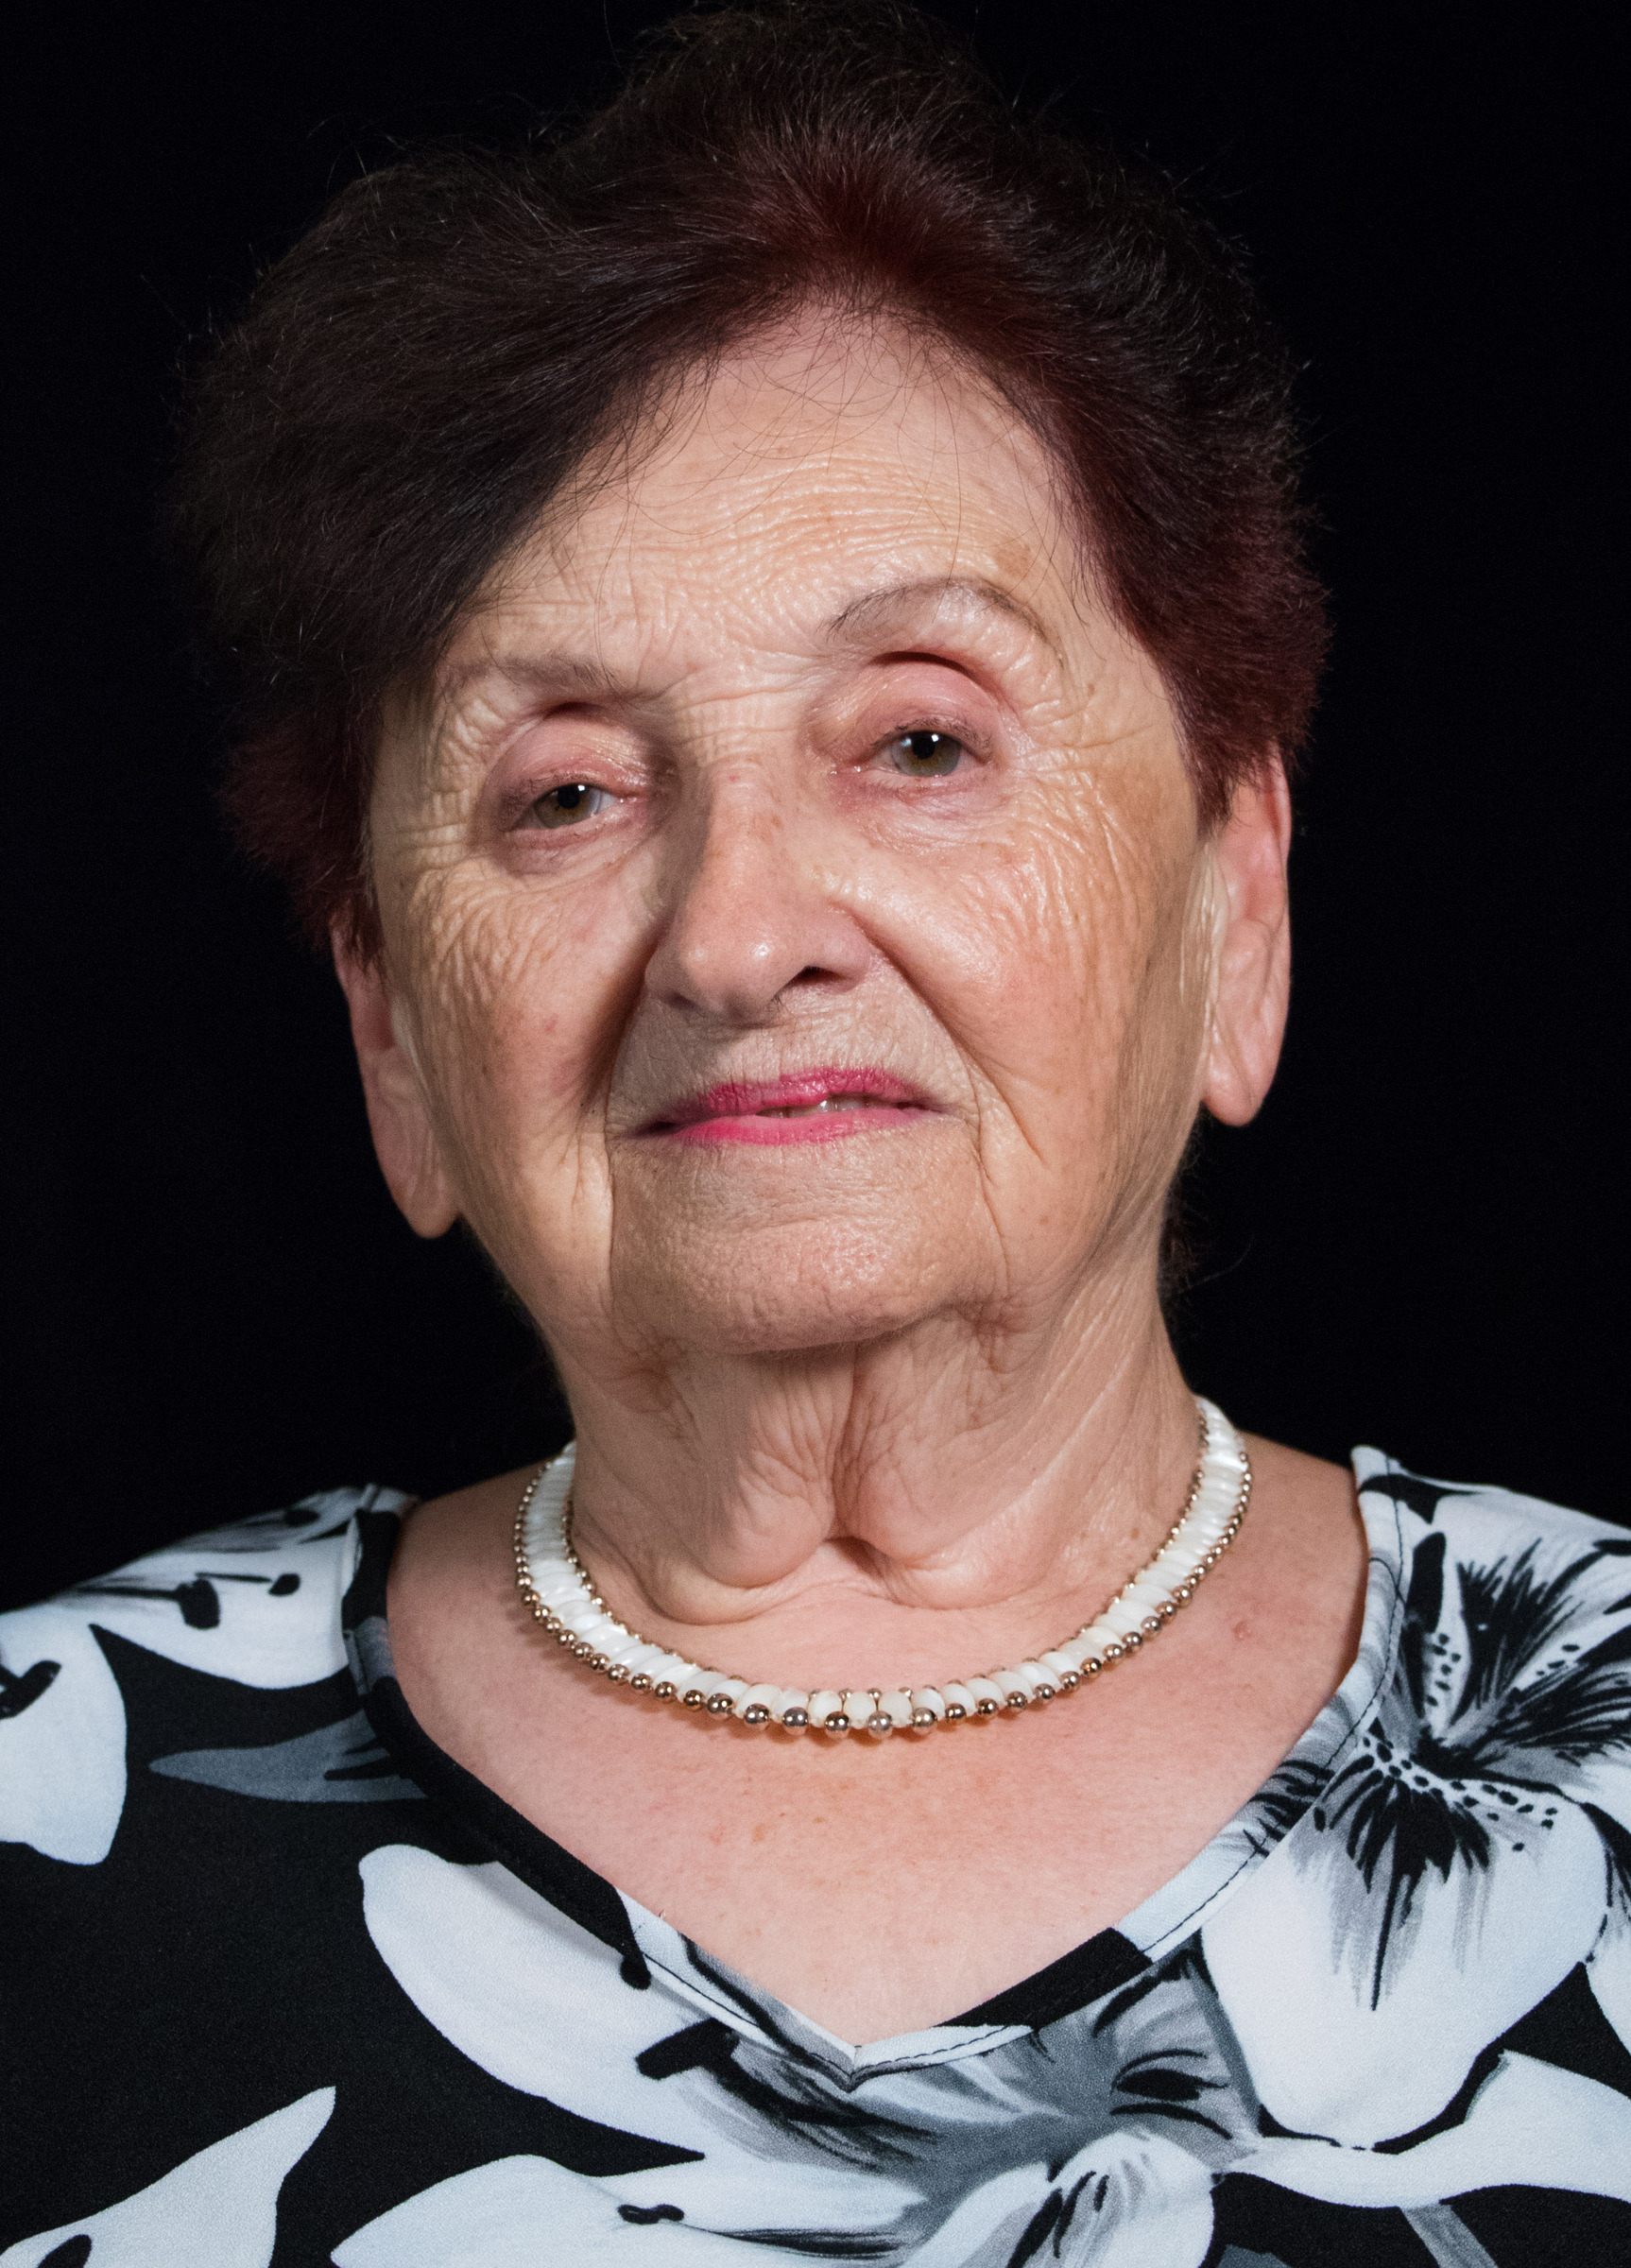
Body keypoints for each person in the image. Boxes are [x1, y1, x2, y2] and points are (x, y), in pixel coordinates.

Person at [3, 8, 1627, 2261]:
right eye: (564, 793)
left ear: (1231, 902)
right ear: (390, 1030)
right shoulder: (43, 1811)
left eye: (920, 742)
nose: (739, 933)